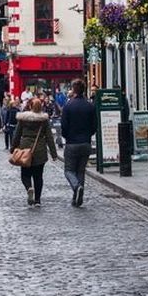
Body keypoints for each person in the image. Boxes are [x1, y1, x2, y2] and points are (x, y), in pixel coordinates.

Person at [12, 98, 58, 207]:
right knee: (38, 176)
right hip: (40, 149)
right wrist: (54, 154)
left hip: (25, 148)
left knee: (25, 174)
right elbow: (49, 137)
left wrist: (13, 147)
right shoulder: (44, 120)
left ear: (30, 106)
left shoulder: (23, 119)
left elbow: (17, 134)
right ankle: (37, 200)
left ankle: (29, 187)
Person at [61, 79, 95, 207]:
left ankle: (76, 187)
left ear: (74, 90)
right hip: (86, 143)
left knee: (69, 170)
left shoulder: (68, 106)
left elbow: (64, 126)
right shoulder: (90, 106)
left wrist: (67, 136)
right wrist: (87, 135)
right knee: (81, 171)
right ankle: (77, 198)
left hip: (72, 143)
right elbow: (94, 125)